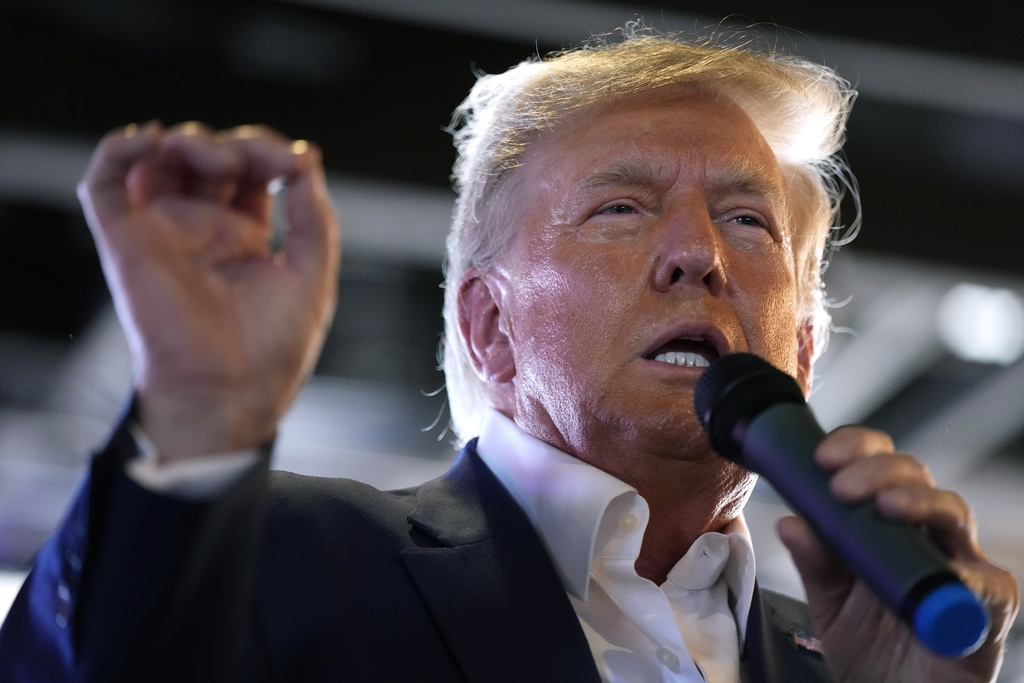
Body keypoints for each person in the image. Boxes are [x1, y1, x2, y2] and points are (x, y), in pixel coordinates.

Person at [0, 26, 1018, 682]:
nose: (696, 254)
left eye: (747, 223)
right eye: (620, 207)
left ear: (800, 345)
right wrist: (194, 412)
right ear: (488, 328)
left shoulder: (858, 656)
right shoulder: (284, 558)